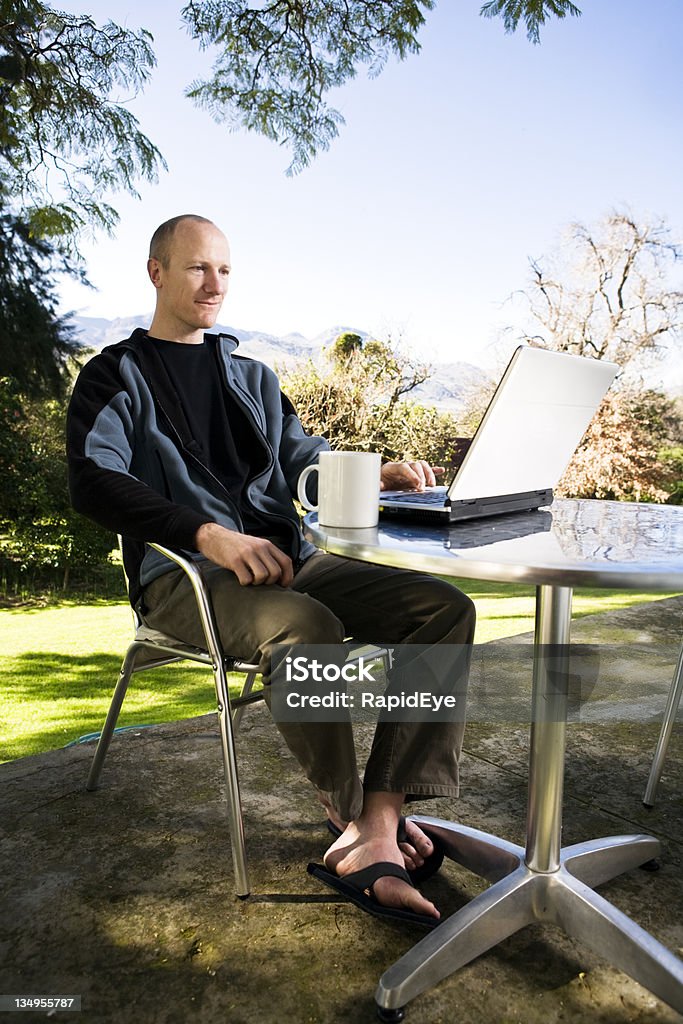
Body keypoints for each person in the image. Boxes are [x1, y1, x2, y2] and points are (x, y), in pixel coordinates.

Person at [67, 214, 476, 925]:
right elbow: (92, 481)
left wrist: (374, 472)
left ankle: (378, 816)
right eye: (196, 268)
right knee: (306, 627)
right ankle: (351, 821)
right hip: (186, 579)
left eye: (224, 269)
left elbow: (301, 455)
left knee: (442, 609)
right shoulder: (115, 375)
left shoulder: (249, 374)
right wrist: (208, 535)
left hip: (291, 561)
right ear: (156, 271)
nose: (213, 284)